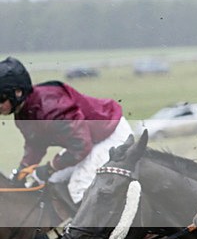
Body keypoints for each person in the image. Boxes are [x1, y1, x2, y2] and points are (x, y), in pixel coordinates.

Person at [0, 56, 133, 204]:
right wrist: (23, 169)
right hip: (87, 139)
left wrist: (51, 167)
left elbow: (82, 145)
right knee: (52, 181)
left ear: (17, 92)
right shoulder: (23, 112)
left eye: (0, 98)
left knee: (79, 187)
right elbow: (35, 143)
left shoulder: (51, 107)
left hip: (110, 135)